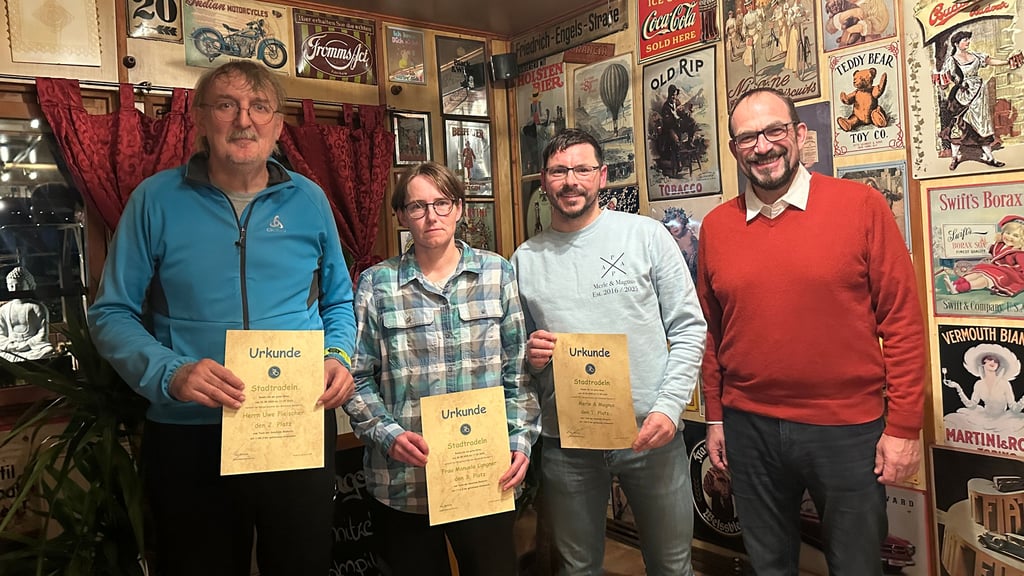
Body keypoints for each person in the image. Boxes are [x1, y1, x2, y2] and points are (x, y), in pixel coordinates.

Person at [88, 60, 356, 576]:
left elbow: (339, 302)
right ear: (201, 119)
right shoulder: (155, 201)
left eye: (259, 107)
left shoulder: (309, 200)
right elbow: (111, 313)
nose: (244, 120)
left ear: (278, 126)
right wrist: (171, 372)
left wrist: (338, 354)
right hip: (190, 431)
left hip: (293, 426)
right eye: (227, 105)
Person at [697, 87, 926, 576]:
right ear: (735, 148)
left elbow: (903, 323)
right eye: (746, 138)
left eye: (774, 131)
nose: (763, 146)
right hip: (748, 427)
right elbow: (711, 333)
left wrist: (904, 428)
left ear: (800, 134)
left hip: (846, 429)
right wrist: (715, 416)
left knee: (857, 564)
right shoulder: (716, 226)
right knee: (769, 564)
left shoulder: (861, 206)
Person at [511, 129, 707, 576]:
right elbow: (517, 357)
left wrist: (669, 407)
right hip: (567, 441)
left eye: (582, 169)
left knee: (673, 566)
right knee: (579, 567)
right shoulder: (524, 259)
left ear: (602, 177)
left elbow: (690, 326)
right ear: (544, 180)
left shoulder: (646, 236)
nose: (570, 181)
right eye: (559, 171)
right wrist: (531, 354)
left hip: (649, 434)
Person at [344, 161, 539, 576]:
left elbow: (517, 372)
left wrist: (520, 440)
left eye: (441, 203)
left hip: (485, 475)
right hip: (403, 483)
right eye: (417, 206)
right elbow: (356, 377)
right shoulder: (376, 284)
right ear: (400, 215)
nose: (431, 216)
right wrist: (386, 433)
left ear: (459, 208)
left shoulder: (497, 273)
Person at [937, 30, 1017, 170]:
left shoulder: (974, 56)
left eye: (968, 39)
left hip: (978, 94)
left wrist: (1006, 61)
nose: (968, 42)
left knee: (982, 125)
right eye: (965, 40)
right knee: (958, 126)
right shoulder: (951, 61)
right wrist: (942, 82)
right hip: (961, 96)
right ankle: (955, 158)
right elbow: (945, 80)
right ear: (956, 43)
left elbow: (989, 60)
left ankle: (990, 158)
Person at [943, 215, 1024, 296]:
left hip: (1009, 275)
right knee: (977, 273)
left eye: (1015, 236)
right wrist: (990, 247)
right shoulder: (1000, 245)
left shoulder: (1019, 253)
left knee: (984, 280)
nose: (1010, 237)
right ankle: (955, 284)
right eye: (1008, 233)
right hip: (997, 269)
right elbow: (995, 252)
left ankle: (959, 288)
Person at [943, 344, 1024, 417]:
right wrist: (958, 388)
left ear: (998, 366)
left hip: (1003, 420)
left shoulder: (1005, 384)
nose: (993, 362)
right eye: (990, 359)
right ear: (983, 362)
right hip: (984, 419)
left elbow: (1014, 409)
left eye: (996, 361)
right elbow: (971, 405)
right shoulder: (979, 384)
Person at [0, 266, 54, 362]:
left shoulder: (37, 307)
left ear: (29, 285)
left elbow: (42, 334)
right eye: (11, 286)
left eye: (19, 285)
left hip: (33, 348)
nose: (15, 289)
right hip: (12, 348)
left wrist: (27, 345)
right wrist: (14, 346)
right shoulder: (4, 310)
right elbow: (1, 336)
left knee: (47, 350)